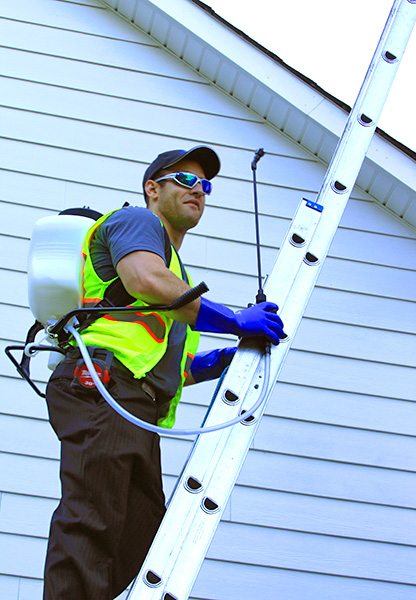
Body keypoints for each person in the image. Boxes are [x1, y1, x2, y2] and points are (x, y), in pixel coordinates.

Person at [42, 145, 285, 599]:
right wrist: (234, 321)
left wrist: (210, 365)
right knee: (93, 518)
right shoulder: (136, 223)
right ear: (153, 189)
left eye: (206, 185)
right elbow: (144, 282)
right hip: (103, 384)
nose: (199, 191)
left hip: (133, 399)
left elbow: (161, 356)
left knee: (140, 530)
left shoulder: (177, 273)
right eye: (186, 180)